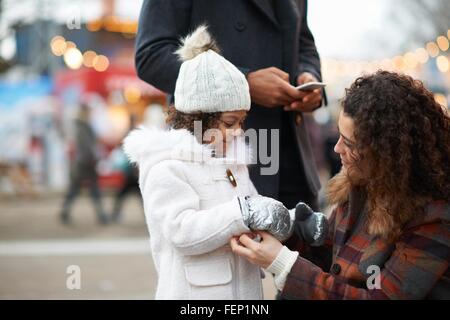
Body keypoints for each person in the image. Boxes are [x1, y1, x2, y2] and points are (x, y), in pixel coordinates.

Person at [123, 26, 326, 300]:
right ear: (198, 118)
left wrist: (292, 221)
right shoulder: (167, 166)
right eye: (230, 123)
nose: (239, 131)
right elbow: (181, 231)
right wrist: (242, 213)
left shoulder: (233, 162)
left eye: (242, 122)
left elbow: (256, 211)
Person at [231, 71, 450, 299]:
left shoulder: (436, 218)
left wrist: (284, 264)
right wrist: (286, 230)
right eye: (339, 136)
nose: (336, 149)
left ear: (388, 153)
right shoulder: (362, 185)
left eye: (349, 143)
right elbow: (330, 258)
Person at [135, 0, 325, 210]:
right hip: (217, 158)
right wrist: (244, 82)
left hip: (292, 160)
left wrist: (310, 78)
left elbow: (303, 43)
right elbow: (152, 55)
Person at [60, 104, 108, 225]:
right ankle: (100, 215)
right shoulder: (82, 126)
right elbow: (86, 146)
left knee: (79, 189)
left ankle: (65, 212)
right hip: (85, 163)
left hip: (83, 163)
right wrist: (93, 158)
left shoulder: (81, 125)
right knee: (88, 189)